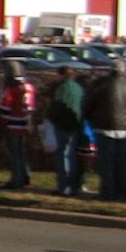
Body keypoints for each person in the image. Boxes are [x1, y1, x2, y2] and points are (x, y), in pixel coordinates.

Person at [83, 60, 126, 202]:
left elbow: (89, 103)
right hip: (125, 128)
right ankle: (122, 192)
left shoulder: (102, 84)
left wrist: (90, 118)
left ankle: (107, 192)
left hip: (104, 127)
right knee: (122, 162)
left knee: (106, 162)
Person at [0, 62, 35, 189]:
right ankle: (26, 175)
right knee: (22, 152)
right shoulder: (29, 87)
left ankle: (16, 179)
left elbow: (5, 108)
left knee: (14, 154)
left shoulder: (11, 90)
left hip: (13, 124)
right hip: (25, 123)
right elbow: (32, 107)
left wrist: (2, 121)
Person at [48, 65, 85, 196]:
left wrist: (52, 119)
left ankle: (64, 186)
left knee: (63, 156)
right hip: (76, 125)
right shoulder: (78, 88)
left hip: (63, 125)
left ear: (62, 75)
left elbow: (57, 107)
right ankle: (74, 185)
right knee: (72, 156)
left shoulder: (62, 88)